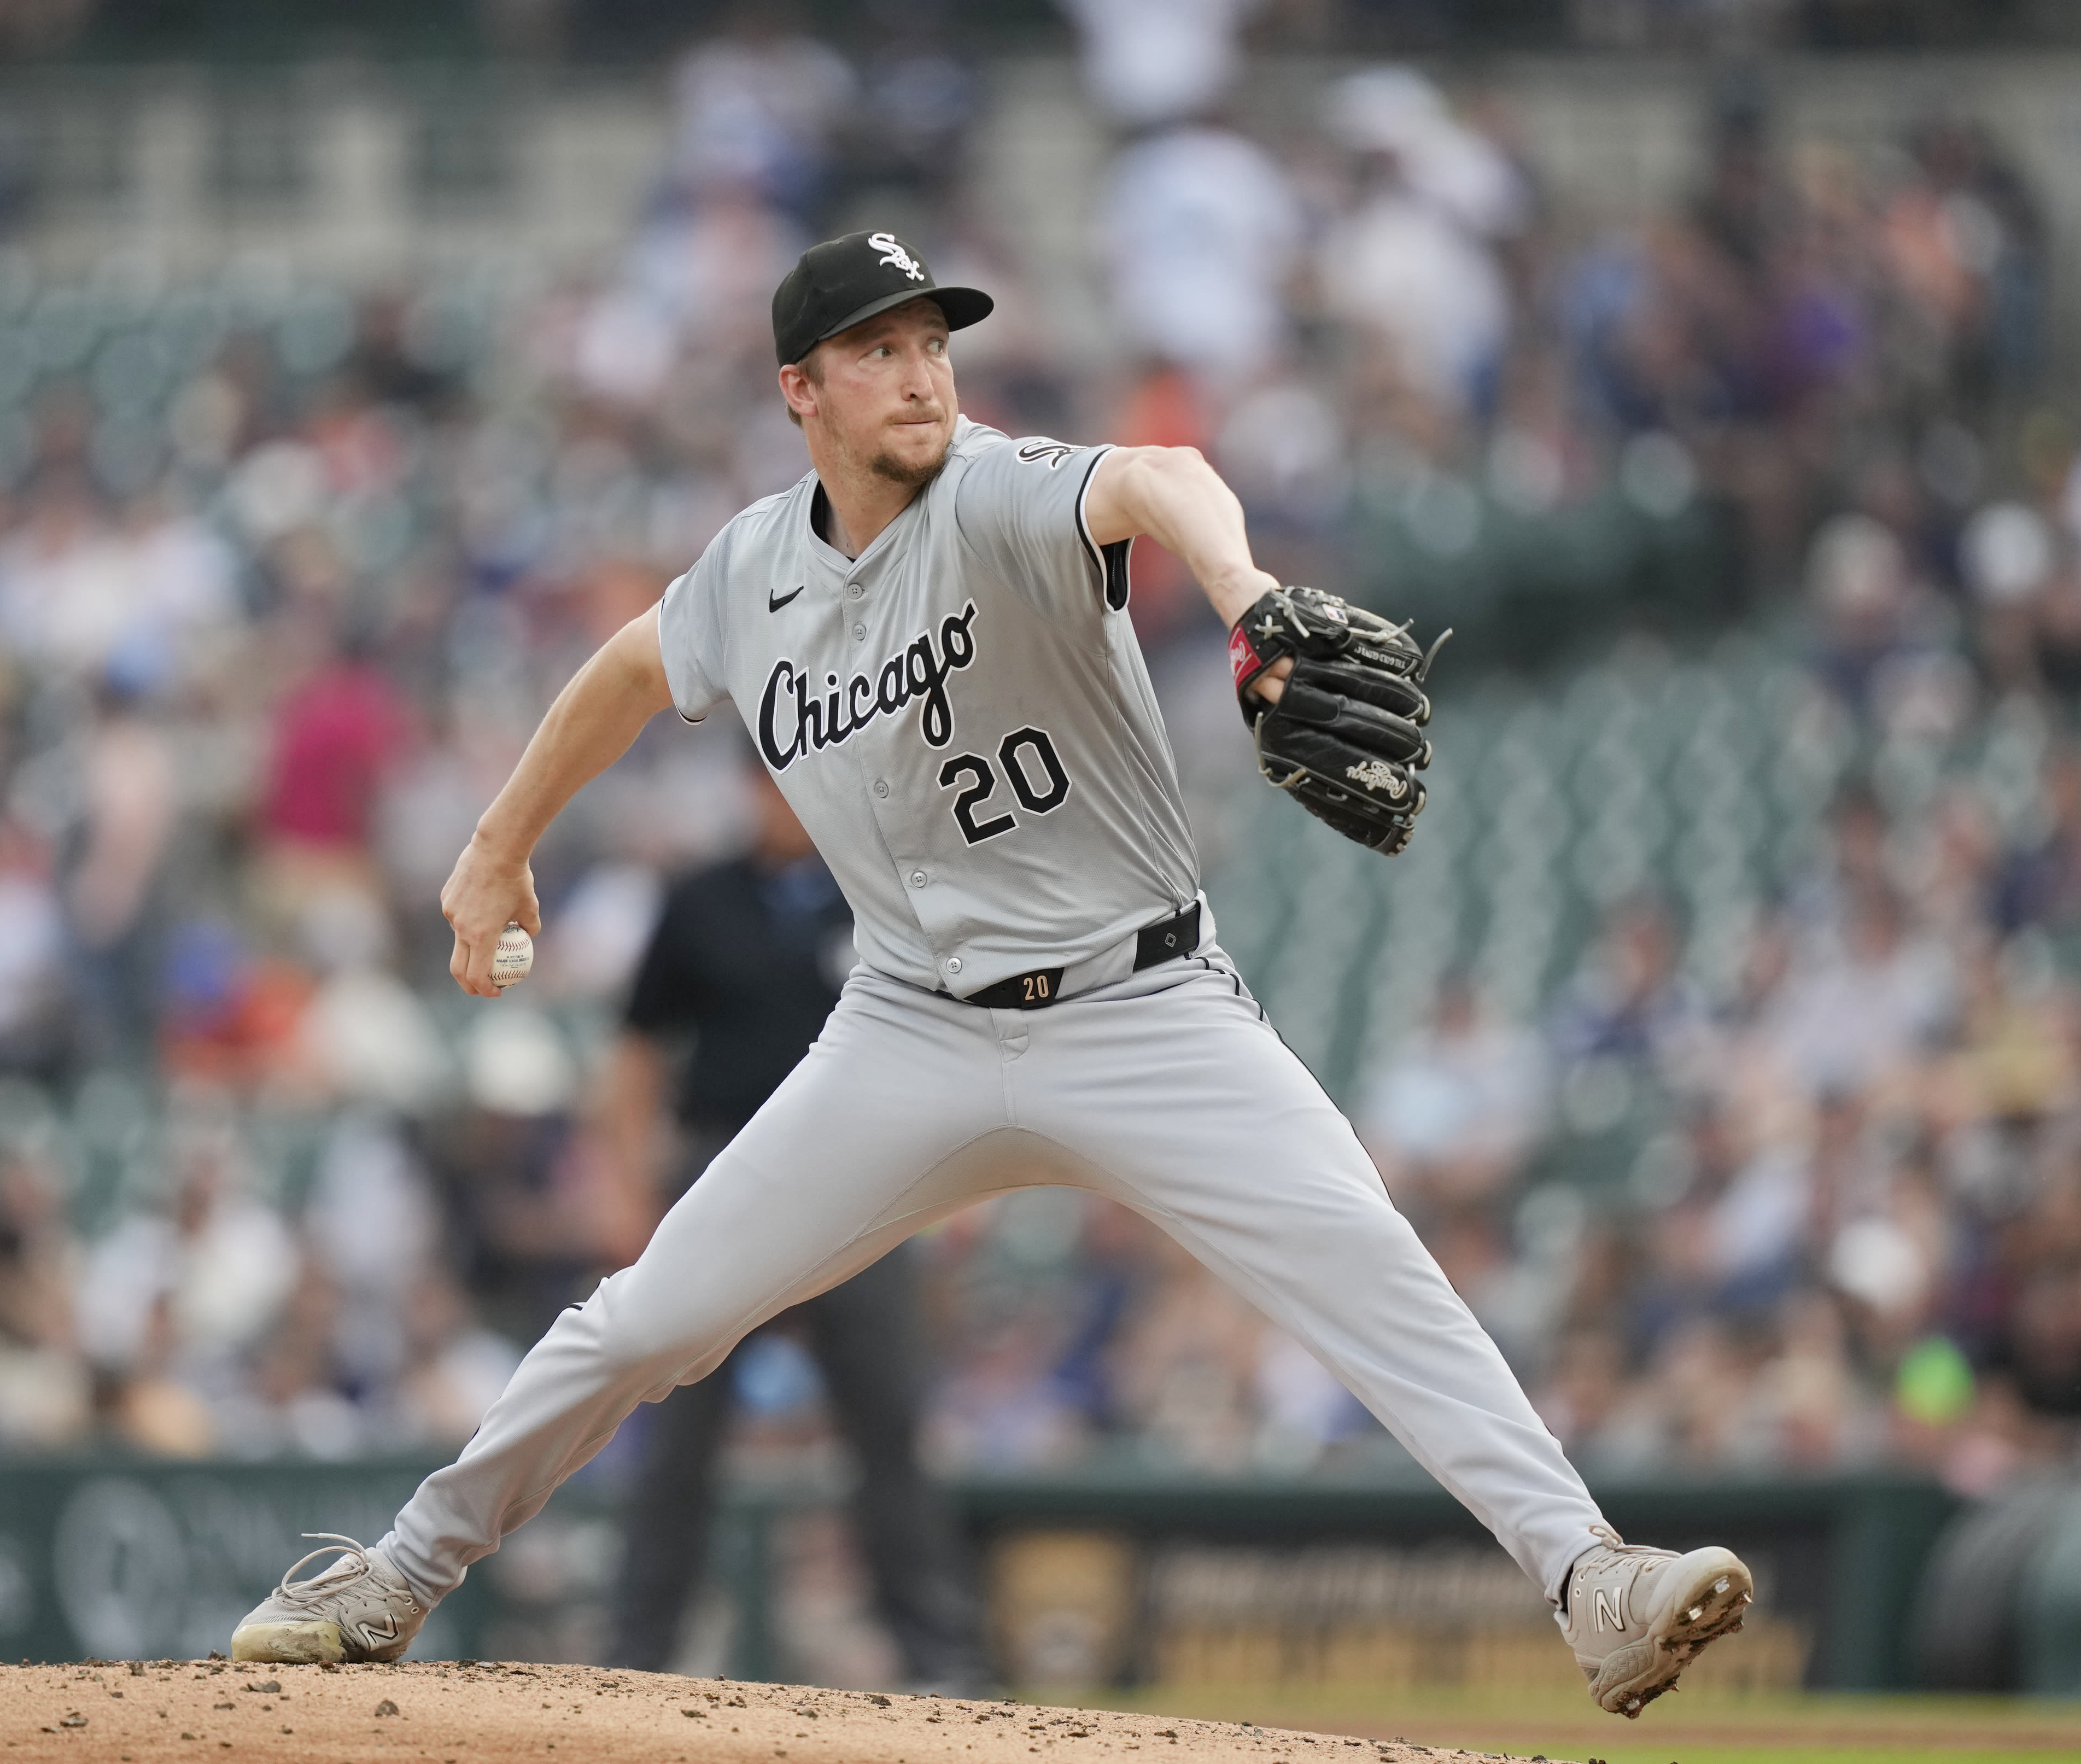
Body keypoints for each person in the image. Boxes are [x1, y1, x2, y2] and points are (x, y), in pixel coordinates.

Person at [231, 230, 1752, 1718]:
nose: (918, 376)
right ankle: (395, 1574)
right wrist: (499, 848)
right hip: (909, 1032)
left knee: (1374, 1271)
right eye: (876, 351)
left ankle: (1592, 1582)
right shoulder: (751, 573)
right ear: (798, 394)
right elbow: (632, 667)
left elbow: (1158, 479)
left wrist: (1242, 596)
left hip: (1144, 1002)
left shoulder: (1001, 495)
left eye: (932, 344)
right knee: (646, 1321)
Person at [592, 761, 984, 1685]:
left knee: (889, 1426)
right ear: (748, 790)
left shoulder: (883, 895)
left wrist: (957, 1189)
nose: (785, 800)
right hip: (721, 1170)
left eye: (801, 782)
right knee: (675, 1432)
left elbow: (954, 1043)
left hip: (862, 1183)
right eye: (769, 782)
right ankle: (637, 1655)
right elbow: (638, 1050)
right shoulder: (699, 900)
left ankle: (943, 1661)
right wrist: (622, 1188)